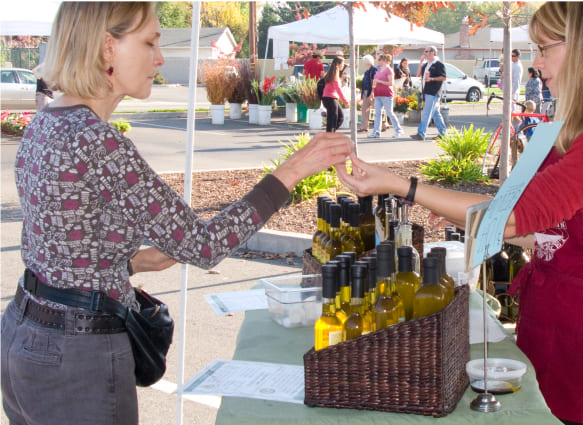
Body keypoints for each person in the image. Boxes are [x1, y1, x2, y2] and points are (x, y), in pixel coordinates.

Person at [0, 3, 352, 425]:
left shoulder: (49, 120)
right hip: (75, 354)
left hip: (25, 336)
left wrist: (128, 263)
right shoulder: (96, 140)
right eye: (150, 42)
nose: (160, 58)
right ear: (108, 48)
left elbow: (56, 246)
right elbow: (204, 247)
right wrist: (291, 171)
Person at [337, 3, 583, 424]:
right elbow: (546, 233)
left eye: (544, 48)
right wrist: (466, 219)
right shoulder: (573, 134)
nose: (536, 62)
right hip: (548, 330)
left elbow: (511, 215)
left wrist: (403, 186)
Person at [410, 46, 447, 141]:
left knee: (426, 113)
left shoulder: (438, 64)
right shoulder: (426, 65)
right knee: (436, 115)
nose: (425, 53)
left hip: (434, 92)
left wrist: (432, 79)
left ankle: (421, 133)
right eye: (425, 52)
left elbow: (443, 77)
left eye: (427, 51)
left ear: (433, 53)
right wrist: (420, 62)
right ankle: (443, 134)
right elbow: (418, 75)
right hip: (427, 91)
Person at [368, 53, 403, 139]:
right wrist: (372, 91)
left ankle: (398, 130)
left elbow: (391, 83)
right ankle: (376, 131)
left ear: (384, 60)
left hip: (386, 94)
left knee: (389, 112)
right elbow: (374, 81)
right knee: (377, 113)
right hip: (378, 94)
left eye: (380, 60)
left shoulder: (389, 70)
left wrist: (380, 82)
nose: (378, 61)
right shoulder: (379, 69)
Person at [321, 56, 349, 133]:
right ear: (338, 65)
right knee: (334, 119)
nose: (343, 66)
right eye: (342, 64)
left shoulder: (331, 74)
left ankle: (330, 133)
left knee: (336, 118)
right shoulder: (334, 75)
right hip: (331, 98)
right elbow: (338, 89)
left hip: (329, 98)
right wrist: (346, 101)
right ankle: (330, 134)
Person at [358, 54, 377, 133]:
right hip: (366, 92)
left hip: (371, 91)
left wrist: (373, 92)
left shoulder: (373, 70)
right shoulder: (367, 72)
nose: (363, 63)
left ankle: (384, 124)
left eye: (364, 61)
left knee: (377, 108)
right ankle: (364, 126)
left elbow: (374, 82)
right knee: (364, 109)